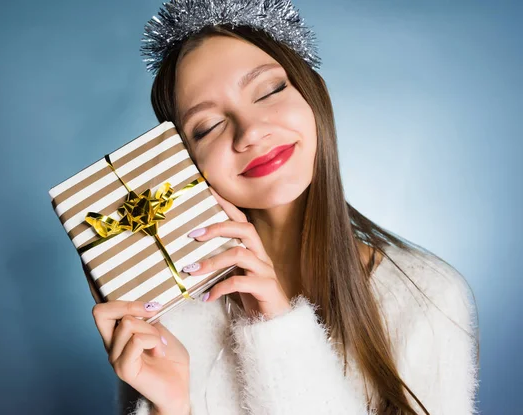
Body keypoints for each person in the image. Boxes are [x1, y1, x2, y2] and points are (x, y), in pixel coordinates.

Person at [86, 1, 480, 414]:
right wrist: (169, 406)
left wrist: (275, 327)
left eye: (270, 90)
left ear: (313, 95)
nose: (251, 132)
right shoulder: (173, 310)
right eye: (207, 126)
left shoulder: (427, 295)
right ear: (185, 159)